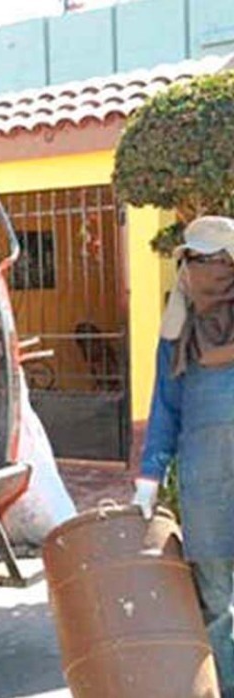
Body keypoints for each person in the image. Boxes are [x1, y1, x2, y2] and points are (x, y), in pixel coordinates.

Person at [136, 216, 234, 695]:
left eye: (215, 261)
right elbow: (165, 407)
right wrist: (149, 475)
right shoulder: (177, 331)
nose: (204, 271)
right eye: (195, 261)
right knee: (215, 601)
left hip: (212, 479)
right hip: (206, 486)